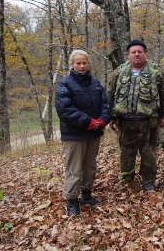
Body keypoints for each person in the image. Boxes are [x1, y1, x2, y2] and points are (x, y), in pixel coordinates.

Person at [107, 39, 164, 191]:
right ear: (128, 55)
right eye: (133, 52)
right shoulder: (119, 71)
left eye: (140, 52)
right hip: (125, 122)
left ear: (145, 54)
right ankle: (127, 181)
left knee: (148, 154)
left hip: (149, 122)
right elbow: (110, 94)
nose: (137, 54)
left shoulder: (156, 71)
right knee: (126, 155)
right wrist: (110, 116)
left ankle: (148, 182)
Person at [55, 49, 112, 217]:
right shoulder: (65, 84)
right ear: (72, 65)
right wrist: (89, 122)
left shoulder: (95, 83)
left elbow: (105, 104)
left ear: (88, 63)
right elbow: (65, 109)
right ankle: (72, 200)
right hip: (74, 135)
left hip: (93, 134)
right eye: (78, 63)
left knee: (90, 167)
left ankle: (86, 195)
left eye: (84, 62)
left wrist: (102, 120)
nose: (81, 66)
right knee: (74, 168)